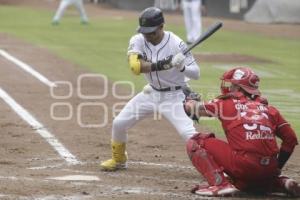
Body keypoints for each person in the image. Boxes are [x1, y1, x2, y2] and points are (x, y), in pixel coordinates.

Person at [100, 7, 200, 171]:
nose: (148, 36)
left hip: (174, 96)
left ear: (162, 26)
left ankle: (216, 167)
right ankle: (119, 160)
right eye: (145, 32)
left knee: (188, 134)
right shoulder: (138, 39)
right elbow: (135, 67)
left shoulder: (177, 43)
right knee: (119, 124)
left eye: (152, 32)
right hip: (150, 93)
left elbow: (196, 73)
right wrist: (162, 64)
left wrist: (182, 67)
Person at [184, 67, 300, 197]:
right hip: (269, 168)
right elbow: (291, 139)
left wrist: (188, 99)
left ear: (239, 88)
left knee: (196, 141)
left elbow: (191, 109)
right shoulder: (270, 109)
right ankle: (279, 182)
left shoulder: (226, 103)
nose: (230, 88)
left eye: (233, 85)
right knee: (246, 182)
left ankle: (220, 185)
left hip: (244, 165)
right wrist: (277, 168)